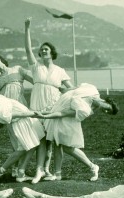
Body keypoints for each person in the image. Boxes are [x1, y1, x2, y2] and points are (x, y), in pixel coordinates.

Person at [24, 17, 74, 184]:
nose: (43, 51)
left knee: (51, 140)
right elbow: (27, 49)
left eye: (46, 49)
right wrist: (27, 28)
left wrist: (64, 91)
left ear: (52, 52)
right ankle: (39, 171)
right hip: (37, 104)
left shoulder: (60, 70)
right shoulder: (35, 66)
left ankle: (48, 170)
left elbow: (70, 88)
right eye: (42, 50)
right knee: (40, 139)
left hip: (53, 106)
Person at [35, 83, 118, 182]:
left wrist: (45, 116)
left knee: (68, 148)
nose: (105, 111)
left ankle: (93, 166)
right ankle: (58, 174)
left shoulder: (87, 109)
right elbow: (76, 88)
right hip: (60, 106)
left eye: (108, 113)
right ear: (109, 102)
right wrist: (64, 90)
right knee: (57, 144)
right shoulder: (92, 88)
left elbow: (64, 114)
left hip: (67, 120)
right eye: (108, 109)